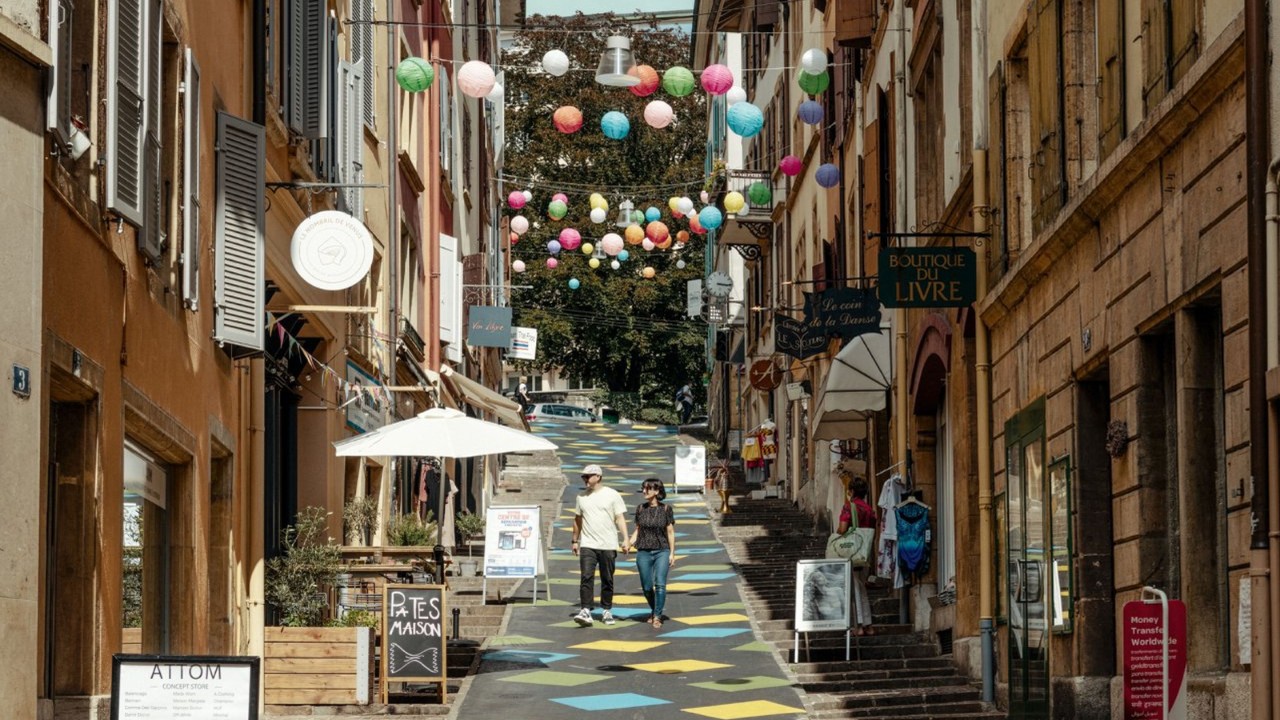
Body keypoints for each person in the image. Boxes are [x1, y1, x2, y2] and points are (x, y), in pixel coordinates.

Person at [571, 464, 629, 627]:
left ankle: (606, 609)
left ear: (598, 476)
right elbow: (577, 520)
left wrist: (625, 538)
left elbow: (619, 518)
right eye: (583, 477)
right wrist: (574, 540)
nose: (585, 479)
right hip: (588, 544)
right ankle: (585, 610)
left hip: (608, 544)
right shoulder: (581, 497)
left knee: (607, 578)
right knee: (586, 576)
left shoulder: (612, 495)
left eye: (588, 476)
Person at [627, 478, 676, 627]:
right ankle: (654, 610)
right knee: (647, 586)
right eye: (643, 488)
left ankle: (657, 616)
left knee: (660, 584)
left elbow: (670, 532)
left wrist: (672, 553)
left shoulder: (666, 509)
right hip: (643, 551)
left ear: (657, 491)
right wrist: (628, 543)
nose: (644, 491)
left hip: (662, 550)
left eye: (647, 489)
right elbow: (638, 529)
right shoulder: (640, 508)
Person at [838, 478, 877, 635]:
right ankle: (868, 625)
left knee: (854, 588)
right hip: (865, 552)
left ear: (852, 491)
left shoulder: (849, 507)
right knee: (861, 586)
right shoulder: (869, 510)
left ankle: (859, 625)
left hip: (852, 551)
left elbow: (842, 528)